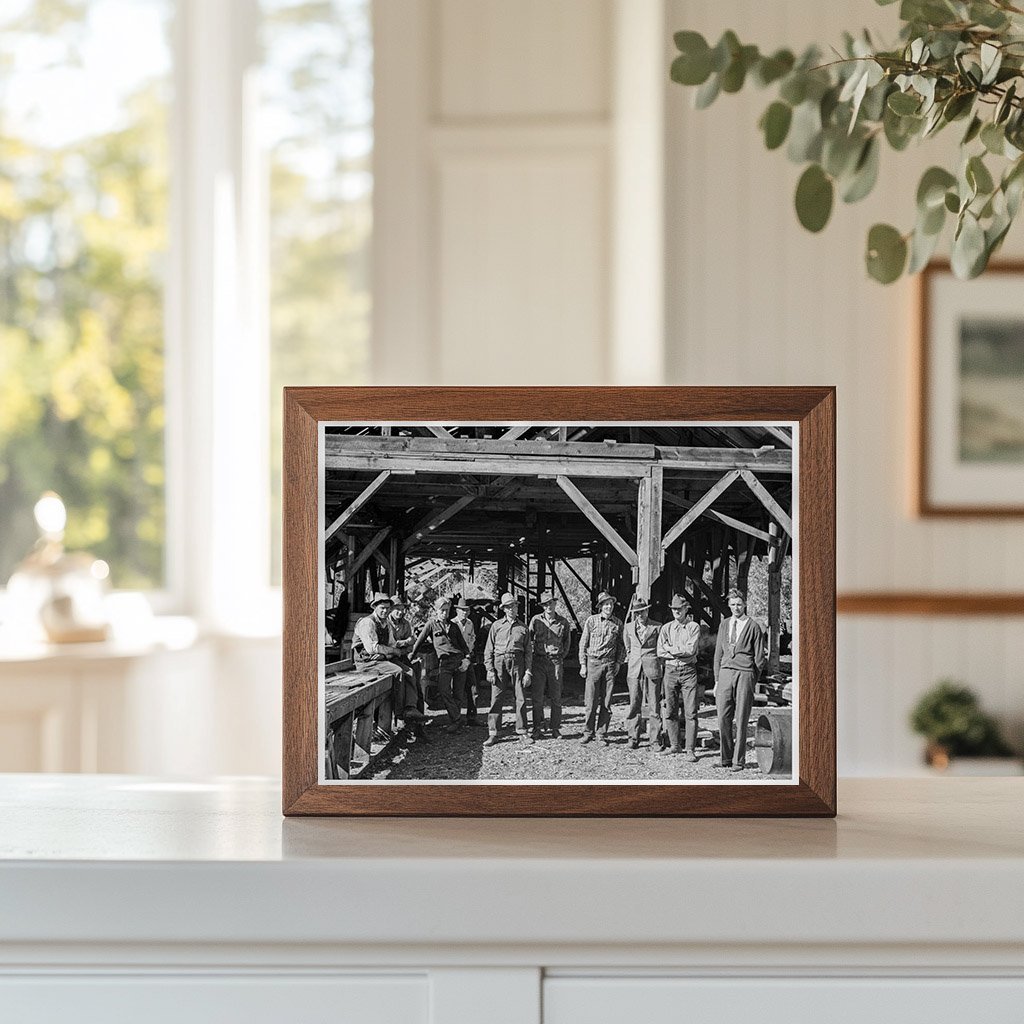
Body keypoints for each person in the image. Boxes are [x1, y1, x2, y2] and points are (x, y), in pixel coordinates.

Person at [352, 592, 424, 727]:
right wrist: (392, 651)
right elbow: (372, 648)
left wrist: (402, 645)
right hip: (366, 662)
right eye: (382, 608)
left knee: (410, 672)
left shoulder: (386, 624)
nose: (385, 611)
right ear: (375, 607)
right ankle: (400, 713)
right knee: (398, 671)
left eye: (387, 608)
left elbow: (391, 644)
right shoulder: (367, 622)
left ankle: (410, 708)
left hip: (381, 660)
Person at [714, 588, 766, 772]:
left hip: (745, 673)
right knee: (722, 717)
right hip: (725, 672)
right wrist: (717, 679)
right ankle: (726, 758)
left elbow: (760, 658)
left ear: (745, 605)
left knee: (742, 718)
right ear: (729, 606)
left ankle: (738, 761)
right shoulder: (725, 624)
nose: (736, 607)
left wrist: (752, 678)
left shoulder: (753, 626)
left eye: (739, 604)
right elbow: (718, 653)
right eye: (733, 604)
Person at [483, 592, 533, 745]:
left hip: (517, 662)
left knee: (521, 697)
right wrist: (489, 669)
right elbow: (488, 650)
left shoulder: (523, 628)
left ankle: (522, 731)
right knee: (496, 697)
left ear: (518, 608)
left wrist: (528, 672)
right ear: (504, 609)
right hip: (499, 663)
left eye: (514, 606)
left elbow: (529, 653)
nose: (512, 609)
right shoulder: (496, 626)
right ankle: (493, 733)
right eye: (508, 607)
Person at [657, 595, 702, 759]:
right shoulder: (666, 628)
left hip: (688, 671)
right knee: (670, 710)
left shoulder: (694, 627)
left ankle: (690, 749)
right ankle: (675, 745)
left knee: (691, 712)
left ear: (686, 609)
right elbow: (660, 651)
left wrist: (671, 649)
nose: (676, 611)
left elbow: (690, 651)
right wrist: (677, 650)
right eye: (674, 609)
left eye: (679, 609)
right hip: (670, 671)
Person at [578, 591, 625, 745]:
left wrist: (618, 662)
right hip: (593, 663)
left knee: (606, 702)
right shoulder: (591, 621)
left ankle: (601, 734)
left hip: (610, 665)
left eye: (610, 604)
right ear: (600, 606)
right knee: (590, 701)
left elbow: (621, 645)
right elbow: (583, 643)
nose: (608, 607)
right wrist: (583, 665)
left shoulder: (618, 623)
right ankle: (588, 732)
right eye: (605, 604)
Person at [528, 591, 571, 739]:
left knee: (556, 697)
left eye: (551, 603)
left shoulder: (563, 622)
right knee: (537, 698)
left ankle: (555, 728)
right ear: (542, 606)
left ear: (555, 603)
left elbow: (567, 642)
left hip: (555, 662)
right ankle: (537, 728)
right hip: (539, 661)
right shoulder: (535, 620)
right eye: (545, 604)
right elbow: (529, 639)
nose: (548, 606)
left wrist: (559, 656)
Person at [623, 595, 663, 750]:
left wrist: (657, 663)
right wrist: (633, 659)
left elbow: (660, 648)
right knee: (634, 704)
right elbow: (628, 647)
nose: (640, 615)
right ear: (634, 614)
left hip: (652, 668)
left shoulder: (657, 627)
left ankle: (654, 740)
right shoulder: (628, 627)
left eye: (643, 612)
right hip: (634, 669)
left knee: (654, 705)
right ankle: (633, 738)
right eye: (637, 613)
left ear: (647, 611)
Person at [429, 594, 470, 733]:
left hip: (458, 662)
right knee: (444, 690)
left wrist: (467, 659)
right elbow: (419, 642)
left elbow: (463, 646)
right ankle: (457, 718)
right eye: (442, 610)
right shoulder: (432, 624)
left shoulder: (453, 626)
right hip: (445, 663)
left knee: (458, 693)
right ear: (436, 611)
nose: (444, 613)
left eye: (447, 610)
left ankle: (455, 723)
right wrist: (411, 656)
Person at [452, 597, 483, 727]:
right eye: (462, 610)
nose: (464, 613)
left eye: (466, 610)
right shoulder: (452, 624)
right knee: (458, 691)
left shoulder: (470, 623)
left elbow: (473, 639)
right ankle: (456, 719)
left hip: (468, 659)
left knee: (473, 689)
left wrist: (469, 655)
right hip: (457, 661)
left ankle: (472, 717)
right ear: (457, 610)